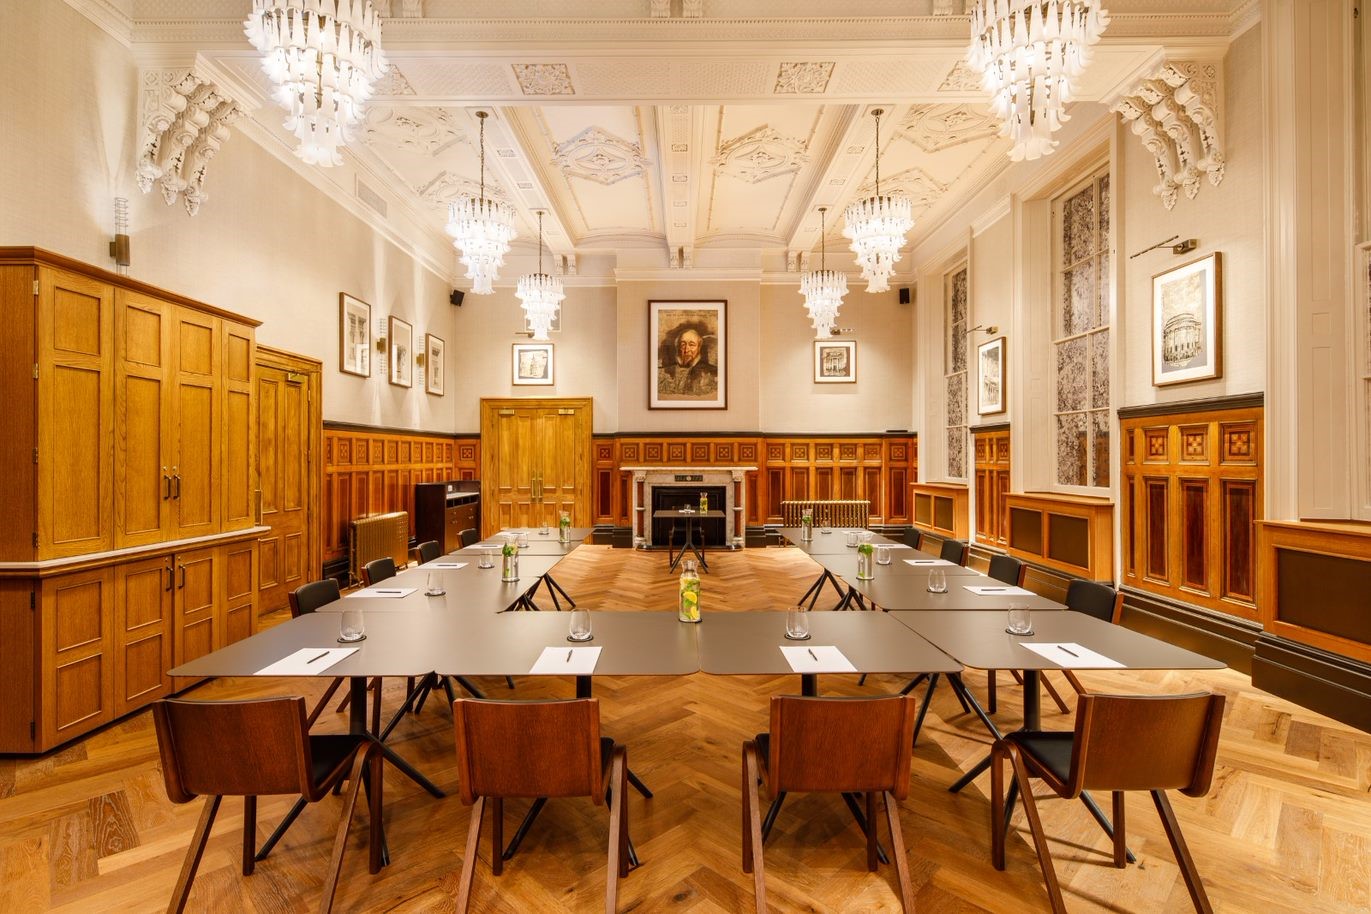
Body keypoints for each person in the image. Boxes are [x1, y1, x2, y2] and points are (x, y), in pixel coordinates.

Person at [657, 326, 717, 398]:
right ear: (678, 347)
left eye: (692, 345)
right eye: (683, 344)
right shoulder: (663, 373)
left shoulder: (711, 373)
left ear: (699, 348)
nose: (686, 350)